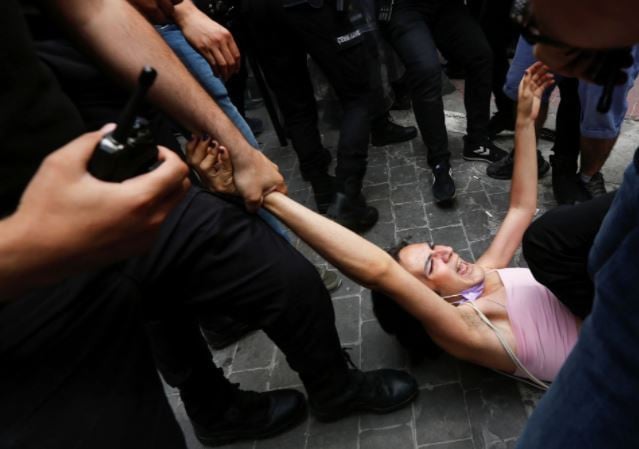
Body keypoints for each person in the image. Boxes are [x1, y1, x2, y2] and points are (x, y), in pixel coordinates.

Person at [0, 1, 419, 448]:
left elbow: (98, 10)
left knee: (282, 279)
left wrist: (238, 150)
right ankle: (213, 409)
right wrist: (33, 243)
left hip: (113, 172)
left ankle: (333, 386)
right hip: (23, 289)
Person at [189, 62, 580, 387]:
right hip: (617, 338)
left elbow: (521, 208)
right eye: (432, 266)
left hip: (604, 291)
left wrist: (525, 122)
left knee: (548, 236)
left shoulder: (485, 275)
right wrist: (267, 197)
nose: (445, 251)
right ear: (426, 302)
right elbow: (379, 271)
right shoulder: (472, 329)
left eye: (432, 249)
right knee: (550, 238)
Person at [384, 0, 508, 204]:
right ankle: (439, 160)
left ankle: (477, 141)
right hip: (403, 6)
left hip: (447, 5)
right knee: (426, 71)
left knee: (481, 55)